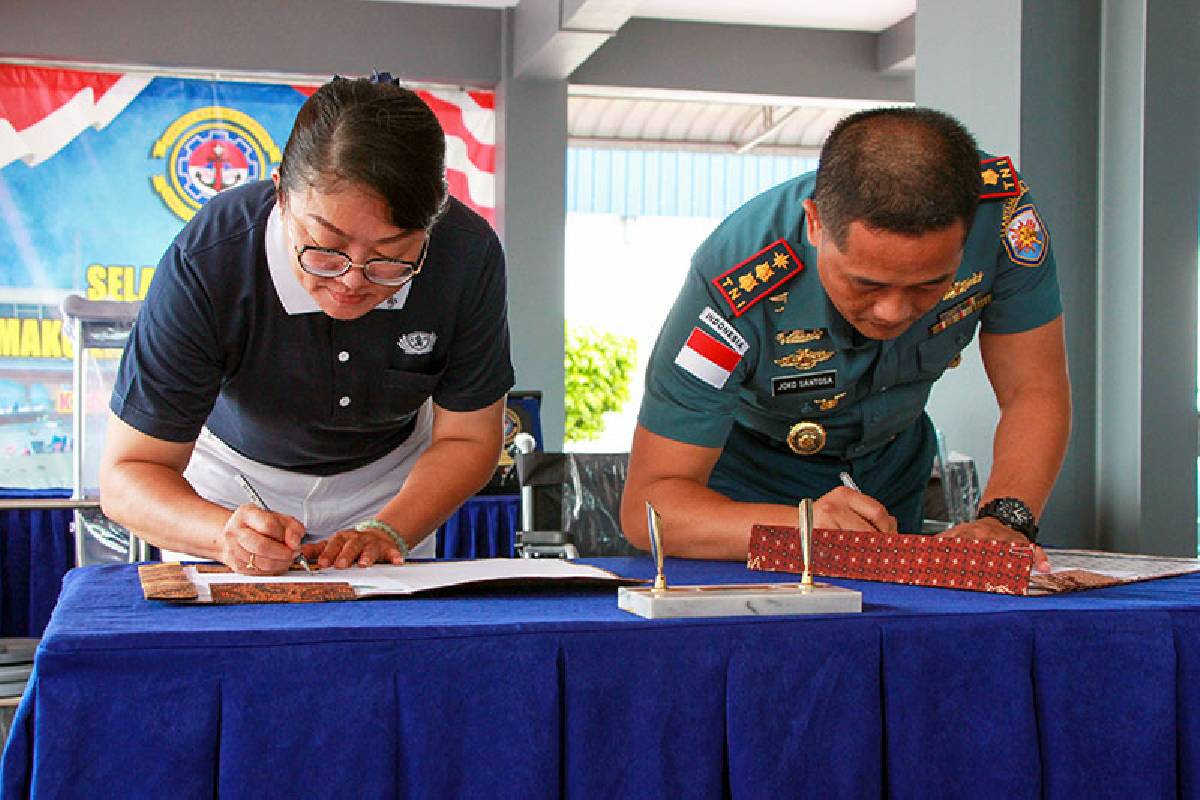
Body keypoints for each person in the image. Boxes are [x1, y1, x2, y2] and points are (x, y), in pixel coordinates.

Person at [620, 107, 1069, 570]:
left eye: (928, 285)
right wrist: (802, 525)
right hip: (749, 484)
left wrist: (1005, 520)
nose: (893, 312)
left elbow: (1031, 390)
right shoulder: (737, 280)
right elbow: (648, 509)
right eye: (866, 284)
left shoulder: (1003, 220)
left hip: (893, 466)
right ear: (815, 223)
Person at [99, 74, 513, 574]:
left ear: (431, 225)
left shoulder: (466, 255)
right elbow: (130, 472)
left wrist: (389, 528)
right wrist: (221, 535)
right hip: (230, 488)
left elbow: (469, 437)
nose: (352, 281)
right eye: (325, 248)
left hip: (392, 490)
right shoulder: (213, 257)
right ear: (280, 194)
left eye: (390, 259)